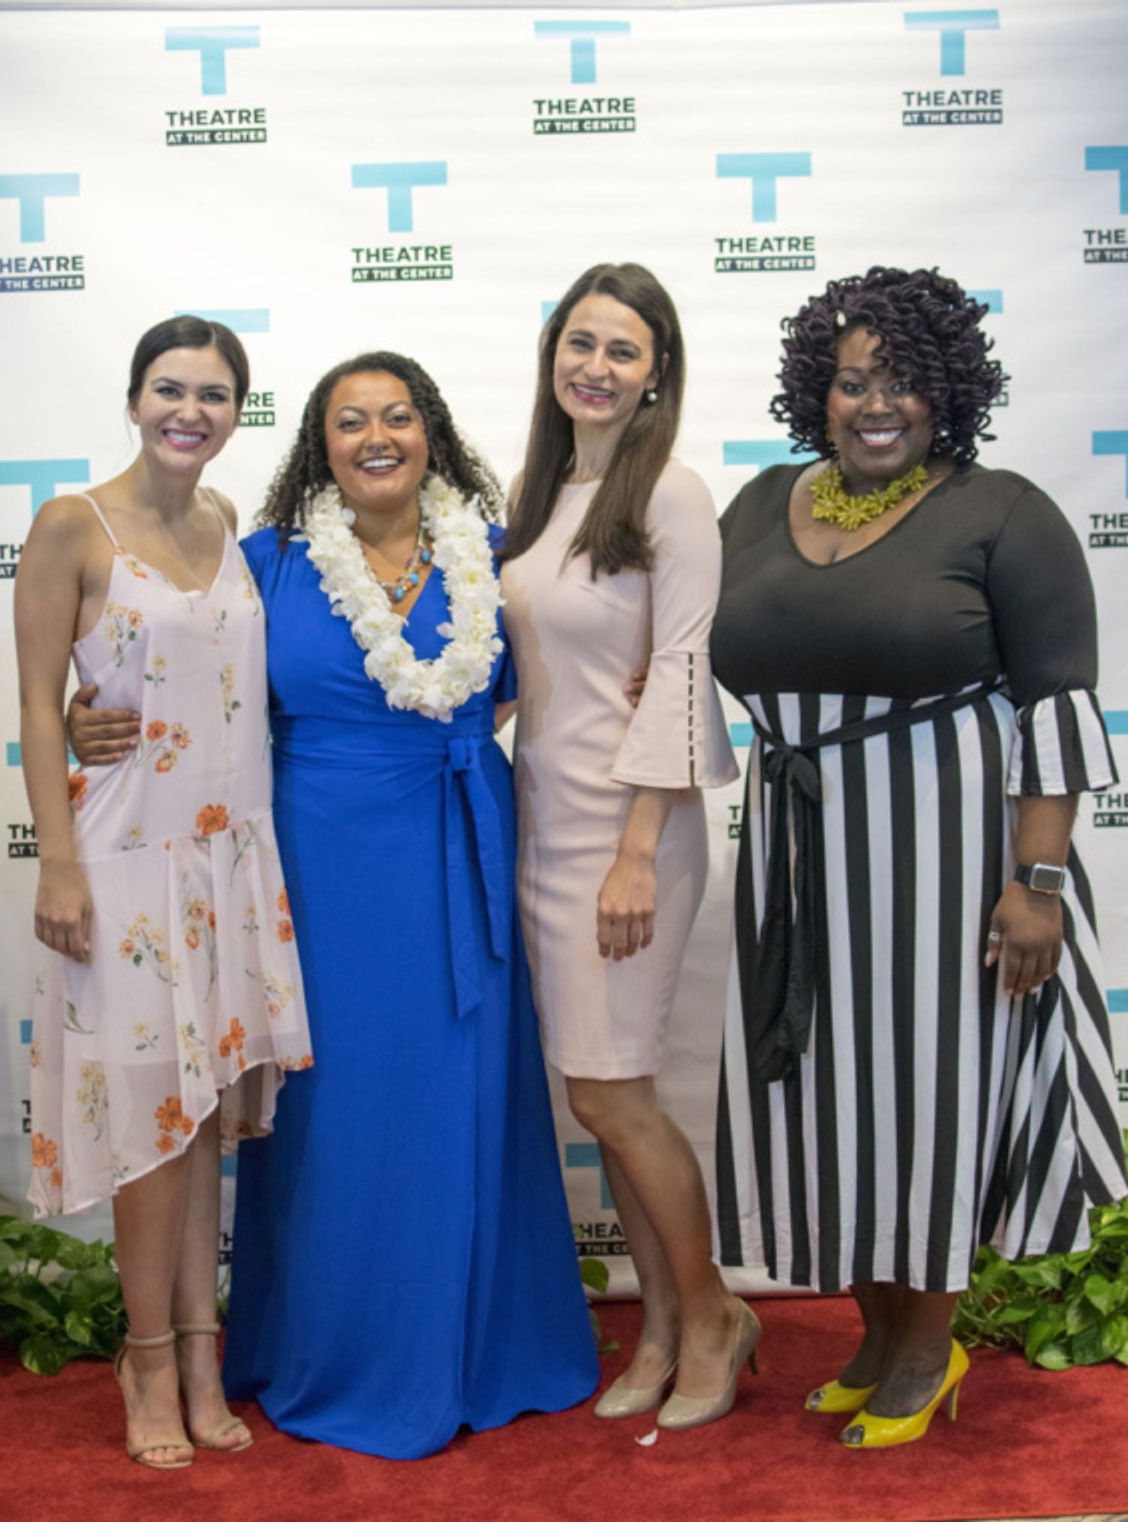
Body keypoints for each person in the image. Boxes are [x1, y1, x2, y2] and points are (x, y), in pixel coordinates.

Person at [710, 266, 1127, 1449]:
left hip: (951, 867)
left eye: (903, 381)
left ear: (950, 392)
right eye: (851, 383)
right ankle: (875, 1331)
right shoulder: (760, 502)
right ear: (818, 393)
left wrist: (1037, 883)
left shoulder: (1005, 512)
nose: (874, 404)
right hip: (801, 853)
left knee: (931, 1102)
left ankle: (929, 1346)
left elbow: (1056, 708)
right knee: (831, 1102)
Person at [197, 352, 594, 1457]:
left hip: (463, 846)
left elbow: (544, 682)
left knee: (465, 1097)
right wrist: (90, 725)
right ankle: (338, 1347)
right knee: (343, 1109)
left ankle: (479, 1346)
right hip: (323, 869)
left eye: (399, 416)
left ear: (434, 433)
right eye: (349, 421)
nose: (378, 436)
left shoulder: (494, 555)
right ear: (317, 447)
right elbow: (182, 671)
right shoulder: (268, 563)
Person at [15, 315, 312, 1469]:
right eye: (170, 389)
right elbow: (45, 706)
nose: (192, 410)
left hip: (230, 861)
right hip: (126, 861)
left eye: (217, 394)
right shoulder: (69, 524)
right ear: (135, 399)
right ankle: (144, 1358)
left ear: (239, 411)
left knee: (198, 1130)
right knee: (147, 1126)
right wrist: (57, 860)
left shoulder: (228, 521)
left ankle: (200, 1349)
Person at [500, 263, 756, 1432]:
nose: (595, 367)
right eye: (581, 343)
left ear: (658, 375)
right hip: (541, 820)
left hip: (627, 830)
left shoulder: (674, 497)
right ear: (556, 354)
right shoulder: (542, 491)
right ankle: (659, 1323)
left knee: (616, 1093)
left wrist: (640, 850)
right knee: (599, 1098)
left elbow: (683, 670)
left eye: (624, 350)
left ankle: (712, 1318)